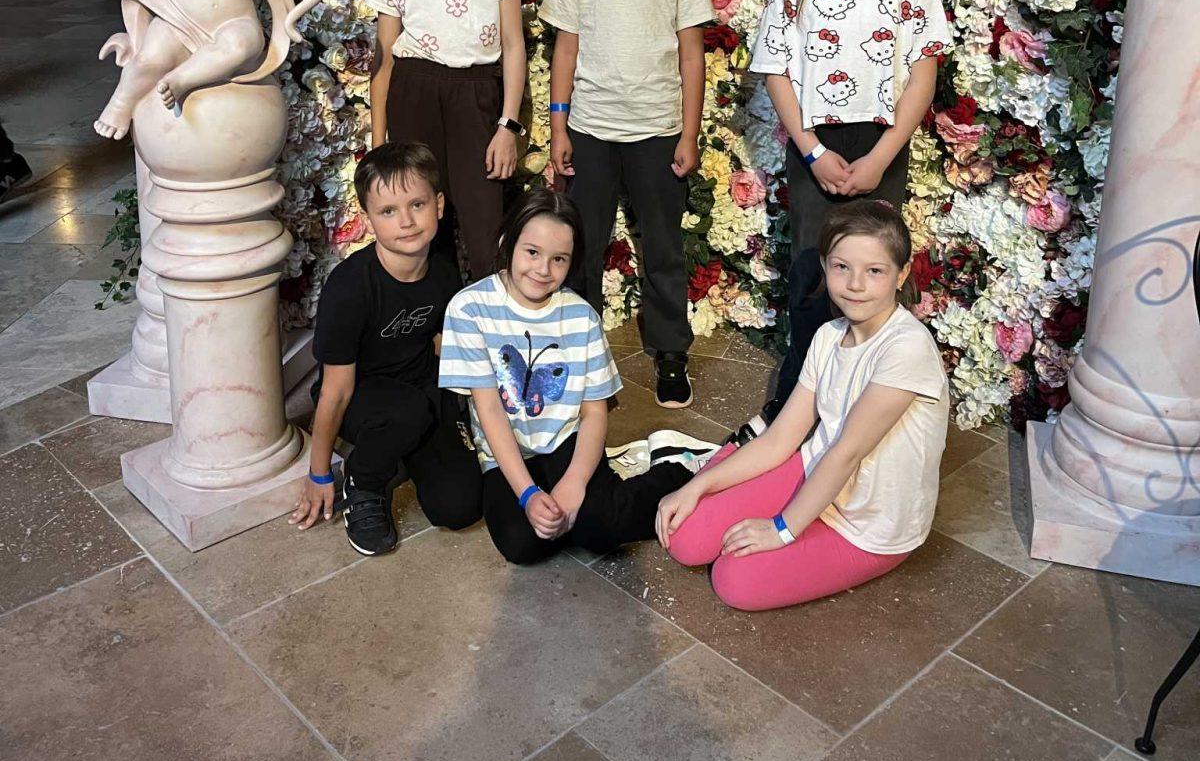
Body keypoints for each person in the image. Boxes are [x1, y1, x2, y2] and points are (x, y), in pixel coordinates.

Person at [740, 0, 950, 434]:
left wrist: (882, 157)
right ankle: (798, 406)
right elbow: (777, 71)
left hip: (881, 144)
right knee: (815, 271)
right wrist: (812, 151)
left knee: (874, 268)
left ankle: (868, 403)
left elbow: (922, 76)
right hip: (817, 147)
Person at [657, 200, 949, 612]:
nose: (855, 284)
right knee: (684, 535)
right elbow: (781, 439)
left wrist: (781, 530)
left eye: (874, 271)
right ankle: (717, 472)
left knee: (735, 580)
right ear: (825, 265)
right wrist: (696, 487)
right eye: (842, 267)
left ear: (901, 275)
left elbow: (848, 452)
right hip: (814, 469)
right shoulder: (829, 336)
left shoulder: (907, 347)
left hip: (869, 523)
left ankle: (790, 529)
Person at [540, 0, 711, 409]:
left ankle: (670, 352)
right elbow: (566, 49)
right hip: (589, 130)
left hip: (658, 131)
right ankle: (580, 355)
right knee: (581, 247)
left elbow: (691, 54)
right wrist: (558, 126)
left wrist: (688, 134)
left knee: (662, 247)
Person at [438, 187, 697, 565]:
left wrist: (575, 483)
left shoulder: (581, 317)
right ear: (507, 242)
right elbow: (490, 411)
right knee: (523, 544)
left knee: (599, 531)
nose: (543, 270)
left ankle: (677, 473)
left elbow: (594, 412)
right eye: (532, 252)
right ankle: (590, 503)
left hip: (567, 441)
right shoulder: (469, 308)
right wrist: (529, 495)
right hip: (506, 452)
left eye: (558, 259)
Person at [289, 141, 483, 557]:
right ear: (368, 219)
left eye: (417, 205)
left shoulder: (444, 273)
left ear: (439, 205)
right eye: (389, 211)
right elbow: (335, 390)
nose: (407, 221)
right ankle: (364, 480)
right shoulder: (350, 287)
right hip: (361, 397)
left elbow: (443, 348)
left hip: (418, 391)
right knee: (405, 412)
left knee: (460, 507)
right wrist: (319, 472)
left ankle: (402, 449)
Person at [366, 0, 530, 281]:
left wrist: (507, 125)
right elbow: (384, 60)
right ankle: (432, 318)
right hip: (413, 92)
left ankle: (487, 316)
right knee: (420, 223)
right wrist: (380, 143)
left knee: (484, 222)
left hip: (476, 95)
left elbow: (514, 44)